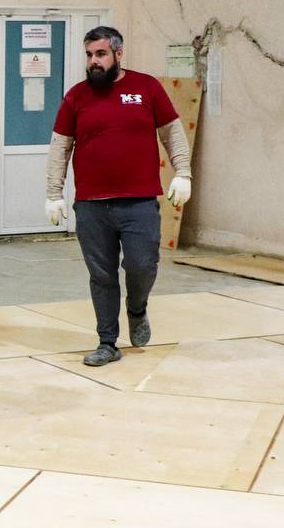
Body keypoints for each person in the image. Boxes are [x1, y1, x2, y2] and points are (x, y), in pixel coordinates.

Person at [45, 26, 192, 367]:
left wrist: (183, 172)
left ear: (118, 54)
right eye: (89, 55)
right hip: (92, 205)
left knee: (142, 265)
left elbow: (172, 133)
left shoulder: (146, 88)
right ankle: (107, 342)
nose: (93, 62)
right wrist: (54, 193)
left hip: (139, 202)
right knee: (102, 275)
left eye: (100, 54)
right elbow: (59, 147)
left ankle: (137, 309)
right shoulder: (76, 97)